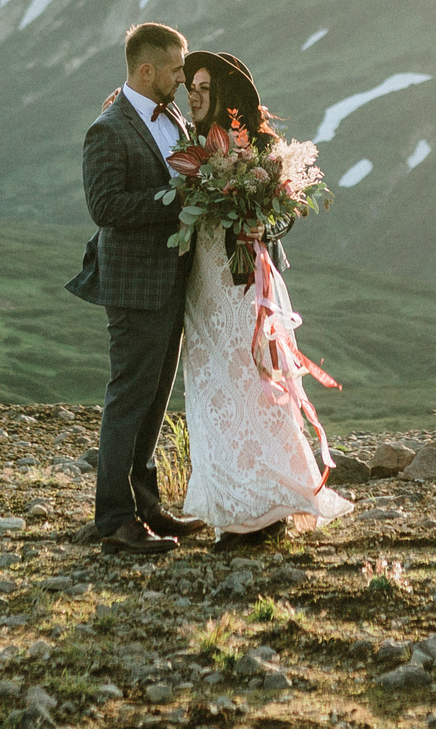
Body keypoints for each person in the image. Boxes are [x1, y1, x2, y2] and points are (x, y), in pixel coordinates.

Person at [173, 49, 353, 548]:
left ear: (225, 95)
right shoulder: (189, 143)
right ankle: (235, 503)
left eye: (204, 88)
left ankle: (261, 509)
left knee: (254, 385)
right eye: (192, 87)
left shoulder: (255, 147)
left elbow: (284, 213)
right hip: (202, 285)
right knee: (212, 388)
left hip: (246, 286)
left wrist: (260, 220)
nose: (194, 95)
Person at [65, 21, 207, 554]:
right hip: (133, 285)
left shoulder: (172, 117)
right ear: (146, 70)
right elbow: (104, 208)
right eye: (176, 70)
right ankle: (115, 520)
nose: (183, 79)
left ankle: (148, 508)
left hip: (172, 282)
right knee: (128, 399)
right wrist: (173, 199)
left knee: (154, 401)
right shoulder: (108, 129)